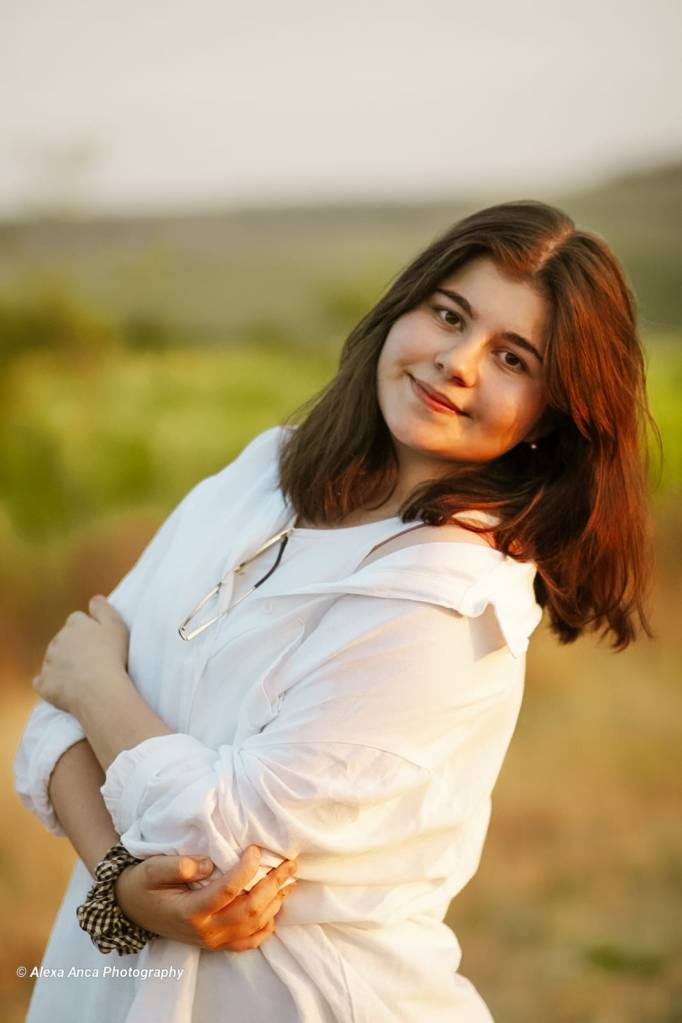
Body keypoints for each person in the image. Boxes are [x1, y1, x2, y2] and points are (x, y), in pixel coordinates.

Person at [14, 199, 655, 1023]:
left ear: (551, 415)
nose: (457, 361)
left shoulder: (453, 601)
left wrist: (99, 684)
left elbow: (217, 837)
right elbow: (52, 719)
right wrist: (125, 888)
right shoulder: (263, 472)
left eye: (512, 357)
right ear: (403, 307)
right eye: (449, 314)